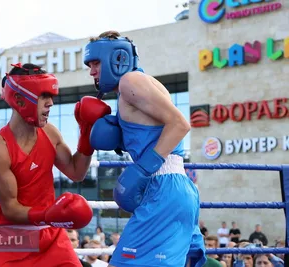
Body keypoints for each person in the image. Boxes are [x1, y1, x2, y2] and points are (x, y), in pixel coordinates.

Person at [84, 31, 207, 267]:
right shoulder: (139, 84)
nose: (92, 71)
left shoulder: (131, 81)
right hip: (172, 188)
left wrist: (142, 168)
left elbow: (180, 124)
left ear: (116, 58)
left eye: (96, 63)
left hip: (163, 186)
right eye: (89, 65)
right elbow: (152, 133)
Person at [0, 63, 112, 266]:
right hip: (8, 241)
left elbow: (76, 172)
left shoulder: (50, 133)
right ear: (20, 99)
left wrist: (87, 134)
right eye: (43, 96)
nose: (50, 104)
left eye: (51, 96)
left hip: (50, 238)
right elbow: (11, 209)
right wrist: (49, 215)